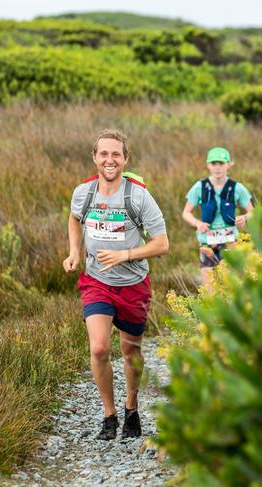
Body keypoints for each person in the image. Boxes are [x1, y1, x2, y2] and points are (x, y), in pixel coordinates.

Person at [63, 129, 169, 441]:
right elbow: (73, 219)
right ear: (95, 158)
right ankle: (109, 416)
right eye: (104, 154)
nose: (110, 160)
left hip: (134, 283)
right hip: (96, 281)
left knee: (130, 351)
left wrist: (126, 254)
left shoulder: (138, 196)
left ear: (125, 159)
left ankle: (131, 409)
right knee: (99, 348)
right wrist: (73, 252)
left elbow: (162, 244)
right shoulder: (83, 193)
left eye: (116, 154)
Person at [181, 146, 253, 289]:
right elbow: (186, 213)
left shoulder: (237, 188)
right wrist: (197, 223)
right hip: (207, 242)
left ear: (229, 164)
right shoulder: (199, 187)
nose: (217, 167)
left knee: (232, 285)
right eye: (214, 163)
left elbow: (253, 212)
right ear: (208, 165)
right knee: (209, 287)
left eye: (221, 163)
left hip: (230, 241)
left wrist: (245, 217)